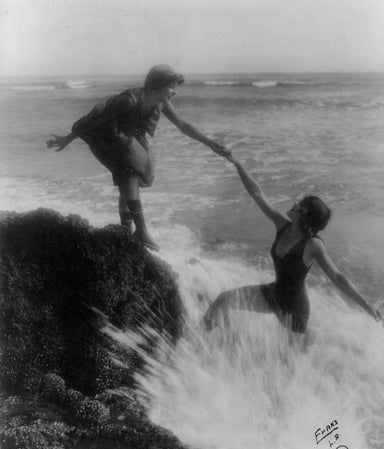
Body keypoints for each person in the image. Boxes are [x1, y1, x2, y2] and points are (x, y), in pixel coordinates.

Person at [46, 64, 230, 251]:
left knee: (137, 172)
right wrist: (67, 139)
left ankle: (126, 228)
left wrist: (211, 144)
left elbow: (183, 125)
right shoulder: (129, 100)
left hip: (129, 135)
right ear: (157, 85)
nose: (175, 92)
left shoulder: (161, 102)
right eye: (172, 87)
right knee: (131, 172)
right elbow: (95, 120)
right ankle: (141, 230)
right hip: (106, 135)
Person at [203, 153, 381, 336]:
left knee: (290, 363)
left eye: (300, 205)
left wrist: (367, 307)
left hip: (295, 312)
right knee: (224, 300)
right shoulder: (282, 225)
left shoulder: (313, 245)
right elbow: (257, 193)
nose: (295, 203)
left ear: (305, 217)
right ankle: (204, 341)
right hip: (272, 295)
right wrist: (237, 162)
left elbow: (337, 277)